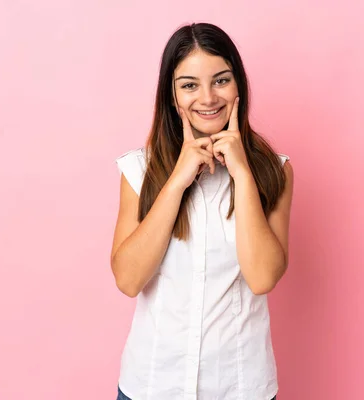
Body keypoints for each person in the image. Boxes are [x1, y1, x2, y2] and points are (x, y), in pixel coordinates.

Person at [110, 22, 293, 400]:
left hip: (241, 387)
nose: (207, 97)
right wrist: (177, 180)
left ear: (239, 85)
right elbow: (128, 280)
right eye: (189, 84)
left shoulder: (274, 171)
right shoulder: (139, 171)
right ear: (172, 96)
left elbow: (262, 277)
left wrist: (243, 174)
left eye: (221, 80)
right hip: (151, 385)